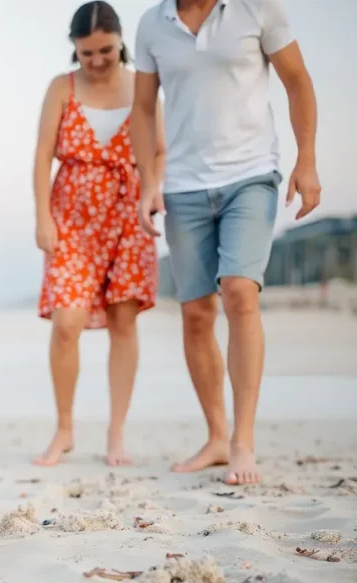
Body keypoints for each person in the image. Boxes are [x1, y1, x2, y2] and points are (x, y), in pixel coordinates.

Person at [130, 0, 320, 485]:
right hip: (183, 185)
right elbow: (143, 108)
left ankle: (243, 442)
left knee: (239, 292)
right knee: (196, 313)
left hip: (250, 174)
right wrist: (150, 180)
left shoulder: (258, 8)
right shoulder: (153, 24)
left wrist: (307, 161)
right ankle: (217, 436)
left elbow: (298, 81)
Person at [33, 1, 164, 468]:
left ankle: (116, 434)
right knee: (67, 322)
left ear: (120, 40)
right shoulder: (61, 88)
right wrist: (42, 218)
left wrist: (152, 190)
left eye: (105, 50)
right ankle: (64, 428)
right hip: (70, 217)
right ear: (76, 50)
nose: (96, 61)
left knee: (123, 321)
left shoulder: (141, 85)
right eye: (86, 53)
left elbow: (160, 150)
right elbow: (42, 157)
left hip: (128, 217)